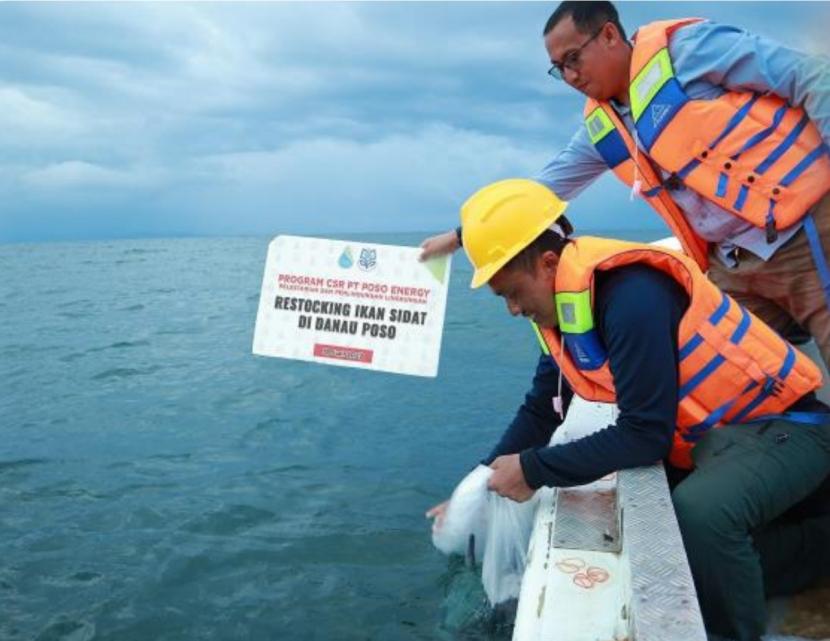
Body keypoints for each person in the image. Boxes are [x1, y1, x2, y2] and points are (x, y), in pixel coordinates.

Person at [427, 178, 830, 641]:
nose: (513, 309)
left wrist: (533, 470)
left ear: (548, 263)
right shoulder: (568, 312)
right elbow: (544, 410)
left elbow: (645, 435)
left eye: (513, 293)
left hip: (790, 429)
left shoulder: (632, 296)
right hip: (723, 443)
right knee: (689, 552)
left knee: (699, 514)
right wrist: (478, 487)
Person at [420, 1, 830, 371]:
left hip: (805, 235)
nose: (569, 75)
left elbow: (809, 75)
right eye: (558, 67)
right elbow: (537, 195)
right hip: (734, 267)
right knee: (728, 374)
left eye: (573, 58)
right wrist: (458, 238)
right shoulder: (603, 129)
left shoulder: (689, 51)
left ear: (611, 35)